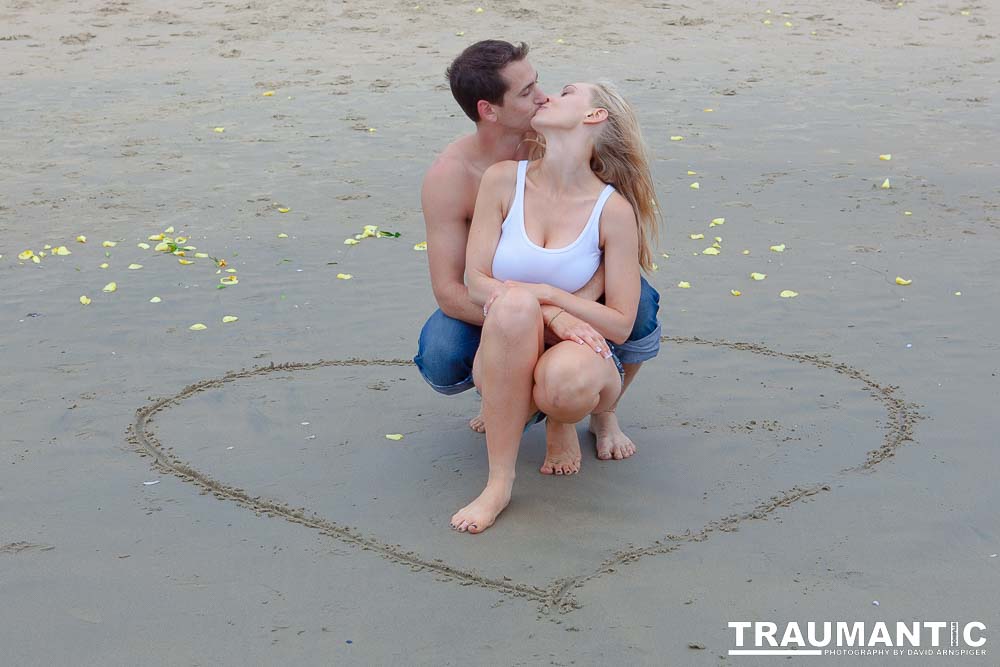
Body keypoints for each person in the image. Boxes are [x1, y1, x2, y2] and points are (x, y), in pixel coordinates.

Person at [414, 40, 662, 471]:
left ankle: (600, 410)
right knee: (441, 351)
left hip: (573, 287)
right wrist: (545, 315)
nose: (543, 96)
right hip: (499, 298)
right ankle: (513, 394)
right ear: (489, 110)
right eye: (528, 92)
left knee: (640, 305)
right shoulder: (453, 177)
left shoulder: (560, 135)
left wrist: (573, 305)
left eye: (540, 84)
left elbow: (610, 240)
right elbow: (452, 290)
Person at [450, 80, 662, 533]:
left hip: (577, 355)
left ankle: (565, 418)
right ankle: (499, 484)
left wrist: (550, 296)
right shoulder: (504, 179)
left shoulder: (612, 210)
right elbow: (474, 281)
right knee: (511, 309)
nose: (546, 96)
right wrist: (550, 312)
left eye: (566, 93)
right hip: (509, 337)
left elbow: (622, 324)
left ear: (594, 117)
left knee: (562, 386)